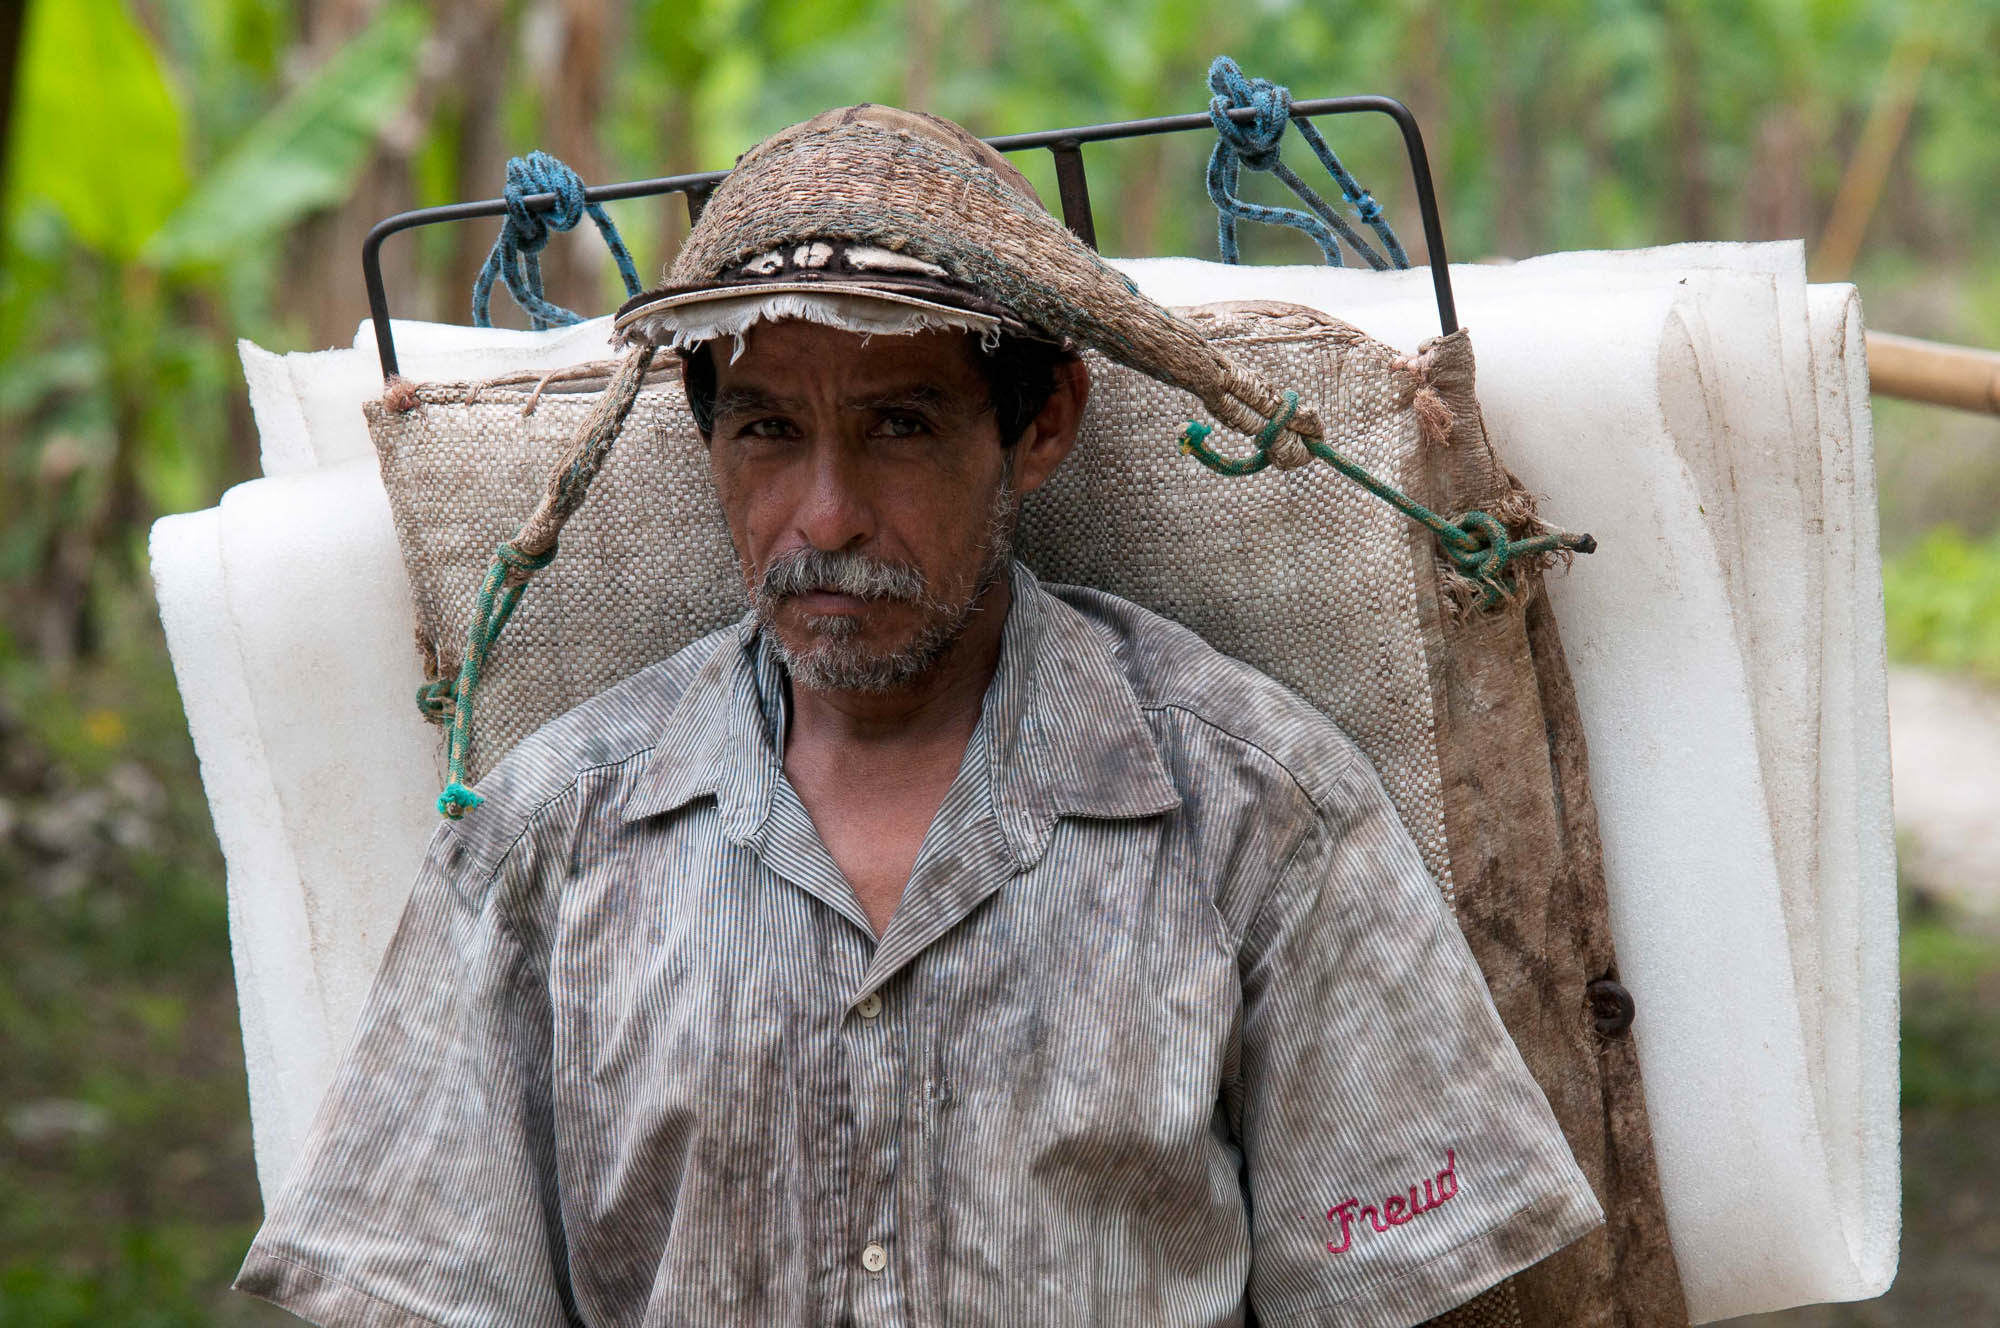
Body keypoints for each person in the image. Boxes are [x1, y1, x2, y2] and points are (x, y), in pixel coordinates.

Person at [236, 105, 1602, 1327]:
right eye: (766, 432)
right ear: (705, 439)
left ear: (1041, 424)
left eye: (898, 428)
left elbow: (1394, 1280)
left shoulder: (1255, 806)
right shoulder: (550, 834)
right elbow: (419, 1285)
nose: (823, 517)